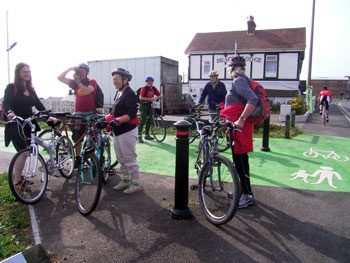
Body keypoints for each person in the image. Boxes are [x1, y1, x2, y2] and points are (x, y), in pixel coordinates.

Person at [221, 56, 259, 209]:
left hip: (240, 127)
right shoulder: (243, 80)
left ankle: (248, 195)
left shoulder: (239, 81)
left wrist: (241, 119)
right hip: (237, 127)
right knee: (240, 160)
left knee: (241, 161)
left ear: (232, 69)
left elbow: (253, 99)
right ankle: (242, 191)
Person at [3, 62, 48, 185]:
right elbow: (6, 103)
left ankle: (20, 177)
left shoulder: (30, 89)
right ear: (18, 73)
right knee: (22, 151)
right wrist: (10, 112)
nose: (27, 74)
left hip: (29, 124)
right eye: (24, 71)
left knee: (26, 152)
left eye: (29, 71)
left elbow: (39, 105)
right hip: (17, 123)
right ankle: (17, 181)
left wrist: (50, 117)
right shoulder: (12, 87)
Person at [105, 68, 141, 194]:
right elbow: (114, 111)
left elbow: (132, 114)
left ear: (125, 80)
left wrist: (118, 120)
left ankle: (136, 183)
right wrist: (107, 118)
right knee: (121, 158)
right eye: (113, 79)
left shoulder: (130, 94)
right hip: (118, 131)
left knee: (129, 158)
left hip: (127, 131)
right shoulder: (119, 93)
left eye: (117, 79)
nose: (114, 81)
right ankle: (126, 180)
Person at [57, 63, 98, 166]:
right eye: (79, 71)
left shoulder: (92, 82)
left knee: (92, 136)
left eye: (83, 72)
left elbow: (87, 91)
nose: (81, 73)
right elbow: (60, 78)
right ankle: (78, 157)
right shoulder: (75, 83)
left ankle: (92, 158)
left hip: (90, 113)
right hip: (78, 114)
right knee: (77, 137)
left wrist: (78, 81)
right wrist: (70, 68)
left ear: (87, 72)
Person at [137, 76, 162, 143]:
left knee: (149, 120)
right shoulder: (144, 88)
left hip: (150, 106)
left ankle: (147, 135)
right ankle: (139, 135)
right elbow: (140, 97)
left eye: (150, 81)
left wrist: (155, 99)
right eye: (148, 81)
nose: (149, 82)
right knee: (143, 120)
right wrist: (150, 99)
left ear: (152, 82)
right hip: (143, 106)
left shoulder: (153, 88)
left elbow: (160, 95)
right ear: (146, 82)